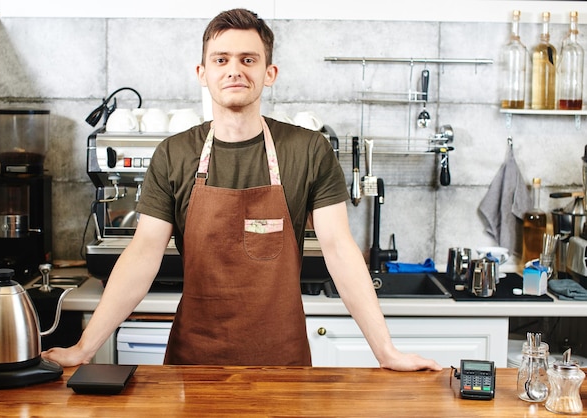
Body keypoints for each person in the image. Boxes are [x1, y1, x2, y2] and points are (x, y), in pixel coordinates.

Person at [43, 8, 441, 371]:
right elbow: (143, 253)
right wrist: (85, 348)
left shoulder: (307, 150)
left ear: (270, 73)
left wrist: (385, 351)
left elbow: (339, 249)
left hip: (283, 365)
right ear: (203, 73)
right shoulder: (175, 154)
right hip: (192, 365)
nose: (235, 70)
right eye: (222, 60)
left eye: (248, 59)